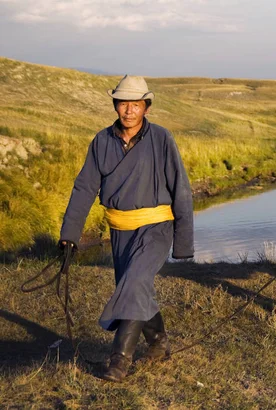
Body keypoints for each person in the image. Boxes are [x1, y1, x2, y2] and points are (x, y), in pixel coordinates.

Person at [59, 75, 194, 382]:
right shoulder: (101, 141)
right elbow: (84, 188)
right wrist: (70, 235)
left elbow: (181, 189)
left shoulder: (162, 139)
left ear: (146, 107)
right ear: (115, 105)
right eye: (123, 104)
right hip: (120, 231)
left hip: (157, 228)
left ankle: (120, 359)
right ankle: (159, 342)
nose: (129, 111)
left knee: (133, 283)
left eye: (136, 104)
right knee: (137, 288)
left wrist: (183, 242)